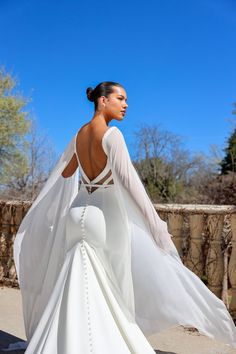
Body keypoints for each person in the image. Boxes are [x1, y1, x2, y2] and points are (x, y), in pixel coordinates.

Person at [9, 82, 236, 353]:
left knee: (77, 279)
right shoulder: (112, 135)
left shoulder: (79, 135)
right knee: (108, 282)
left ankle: (65, 340)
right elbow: (130, 183)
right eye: (121, 98)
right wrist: (156, 224)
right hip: (103, 216)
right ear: (103, 101)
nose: (126, 104)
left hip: (77, 212)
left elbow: (67, 173)